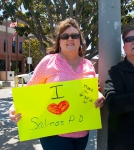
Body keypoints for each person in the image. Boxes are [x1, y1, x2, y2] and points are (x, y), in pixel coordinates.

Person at [9, 18, 105, 150]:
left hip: (82, 132)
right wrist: (14, 108)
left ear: (80, 41)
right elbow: (31, 88)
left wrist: (98, 96)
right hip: (54, 134)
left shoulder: (88, 65)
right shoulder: (49, 62)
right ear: (59, 41)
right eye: (65, 36)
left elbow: (91, 90)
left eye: (75, 36)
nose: (70, 39)